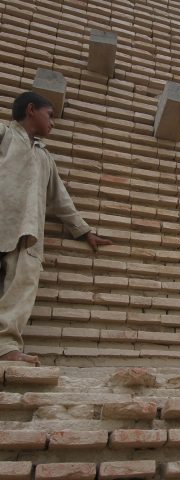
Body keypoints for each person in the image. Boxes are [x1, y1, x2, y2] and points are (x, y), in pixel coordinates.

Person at [0, 91, 112, 365]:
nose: (53, 122)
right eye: (49, 115)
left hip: (27, 234)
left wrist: (84, 231)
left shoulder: (45, 158)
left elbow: (61, 200)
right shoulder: (4, 134)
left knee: (21, 288)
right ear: (30, 110)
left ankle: (5, 347)